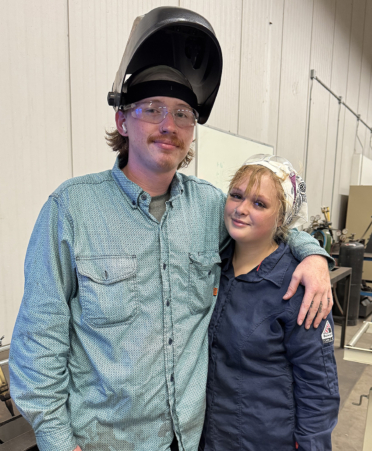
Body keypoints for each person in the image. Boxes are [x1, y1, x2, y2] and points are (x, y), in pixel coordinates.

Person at [9, 7, 334, 451]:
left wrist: (311, 252)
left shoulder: (209, 208)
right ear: (123, 121)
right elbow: (38, 341)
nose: (170, 125)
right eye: (153, 109)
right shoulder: (70, 210)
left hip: (191, 439)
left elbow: (263, 223)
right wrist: (55, 438)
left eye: (183, 113)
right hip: (105, 441)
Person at [200, 155, 339, 451]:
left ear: (282, 218)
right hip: (209, 437)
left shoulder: (299, 287)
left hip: (265, 440)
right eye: (236, 196)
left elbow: (318, 387)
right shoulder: (212, 269)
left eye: (259, 204)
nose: (241, 209)